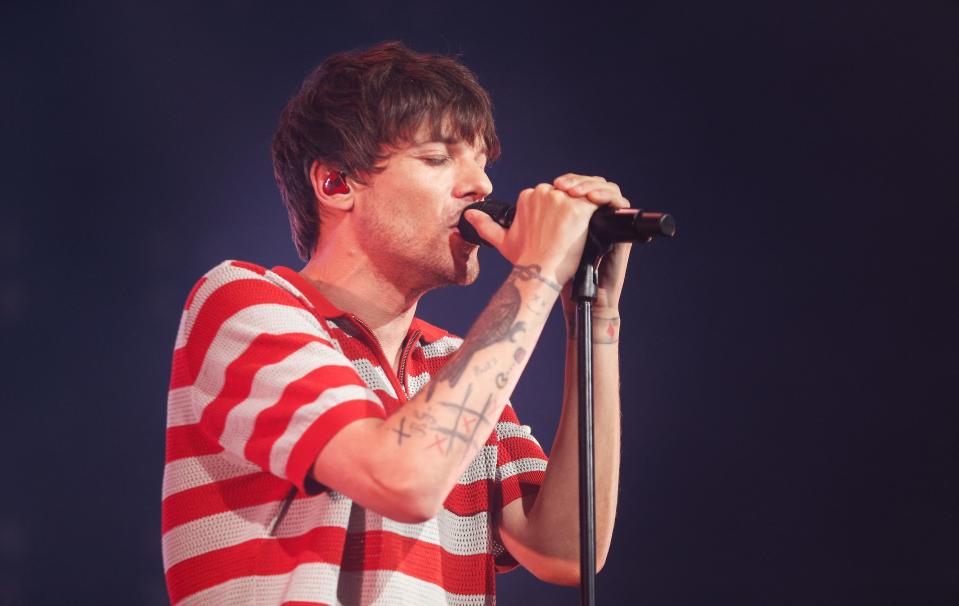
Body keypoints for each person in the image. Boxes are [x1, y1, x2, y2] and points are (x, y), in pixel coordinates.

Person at [161, 41, 631, 605]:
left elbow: (566, 551)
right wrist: (536, 273)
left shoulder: (453, 363)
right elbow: (404, 479)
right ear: (336, 183)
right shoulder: (243, 302)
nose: (481, 186)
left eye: (482, 162)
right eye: (438, 158)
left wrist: (594, 315)